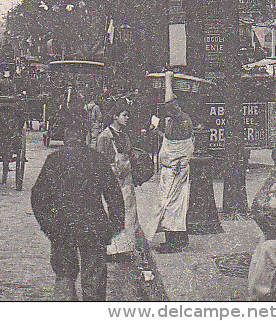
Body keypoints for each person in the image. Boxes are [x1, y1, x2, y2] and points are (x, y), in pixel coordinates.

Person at [32, 108, 125, 301]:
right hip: (93, 226)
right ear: (85, 135)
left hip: (62, 227)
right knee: (94, 277)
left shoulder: (54, 160)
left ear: (66, 136)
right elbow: (115, 196)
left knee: (64, 275)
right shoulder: (97, 160)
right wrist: (113, 227)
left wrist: (48, 226)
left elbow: (38, 197)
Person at [146, 71, 194, 253]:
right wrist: (156, 131)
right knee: (171, 205)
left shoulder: (182, 119)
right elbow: (169, 139)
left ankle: (175, 242)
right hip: (170, 170)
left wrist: (168, 79)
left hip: (175, 170)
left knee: (171, 205)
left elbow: (168, 102)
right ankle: (175, 239)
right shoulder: (175, 122)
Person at [95, 103, 140, 261]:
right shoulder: (105, 136)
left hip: (126, 179)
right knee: (113, 212)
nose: (127, 118)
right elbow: (99, 160)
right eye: (124, 115)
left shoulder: (124, 135)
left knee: (128, 212)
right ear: (115, 116)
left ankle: (124, 248)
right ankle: (110, 250)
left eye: (127, 115)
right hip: (112, 179)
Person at [247, 147, 276, 300]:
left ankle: (265, 295)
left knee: (269, 248)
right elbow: (259, 201)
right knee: (263, 242)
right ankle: (258, 295)